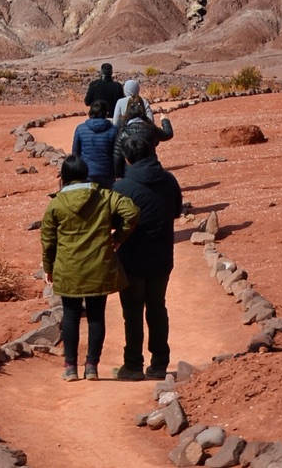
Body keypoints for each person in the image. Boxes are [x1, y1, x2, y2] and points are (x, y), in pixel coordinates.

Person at [40, 153, 141, 381]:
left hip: (68, 268)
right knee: (96, 316)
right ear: (86, 174)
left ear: (64, 177)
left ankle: (70, 367)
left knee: (71, 316)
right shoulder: (104, 195)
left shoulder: (56, 204)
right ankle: (92, 366)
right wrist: (119, 237)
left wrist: (49, 267)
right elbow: (131, 212)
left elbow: (48, 241)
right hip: (99, 266)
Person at [111, 122, 184, 380]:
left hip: (131, 259)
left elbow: (111, 223)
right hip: (162, 256)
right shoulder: (169, 180)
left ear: (128, 158)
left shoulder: (121, 188)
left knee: (132, 312)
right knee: (157, 308)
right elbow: (176, 211)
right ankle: (160, 363)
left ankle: (132, 365)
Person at [111, 78, 175, 180]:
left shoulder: (120, 103)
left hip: (128, 159)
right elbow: (152, 121)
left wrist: (118, 175)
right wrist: (164, 121)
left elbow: (115, 121)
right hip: (148, 151)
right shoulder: (143, 101)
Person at [70, 100, 118, 186]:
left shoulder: (80, 129)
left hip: (86, 174)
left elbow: (75, 154)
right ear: (106, 113)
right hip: (107, 174)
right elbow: (117, 154)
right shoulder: (113, 130)